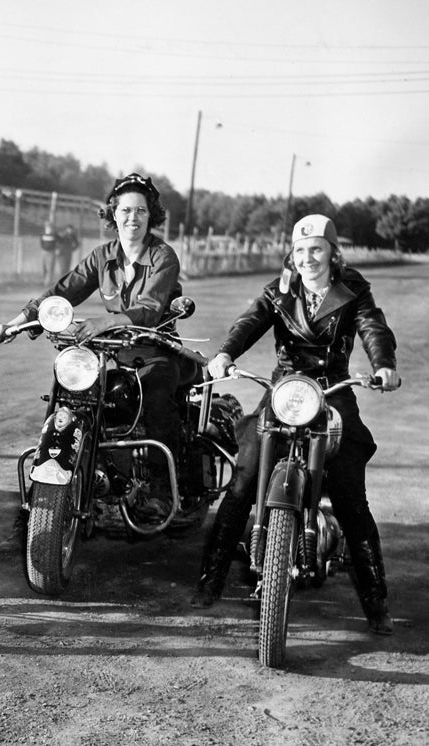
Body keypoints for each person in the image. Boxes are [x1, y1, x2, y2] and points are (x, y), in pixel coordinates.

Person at [190, 214, 399, 635]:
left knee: (349, 492)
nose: (308, 258)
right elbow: (250, 321)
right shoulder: (281, 289)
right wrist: (226, 354)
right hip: (286, 388)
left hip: (332, 389)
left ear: (332, 252)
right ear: (292, 253)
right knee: (244, 478)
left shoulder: (352, 288)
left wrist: (384, 365)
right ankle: (210, 580)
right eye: (300, 250)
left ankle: (376, 601)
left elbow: (373, 327)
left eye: (317, 249)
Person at [0, 173, 183, 552]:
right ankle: (33, 516)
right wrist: (14, 323)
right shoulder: (102, 256)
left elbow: (149, 308)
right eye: (125, 210)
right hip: (111, 350)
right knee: (69, 401)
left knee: (155, 394)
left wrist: (102, 322)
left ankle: (158, 488)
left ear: (151, 215)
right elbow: (62, 292)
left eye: (141, 210)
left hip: (155, 350)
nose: (132, 218)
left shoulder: (163, 256)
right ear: (113, 213)